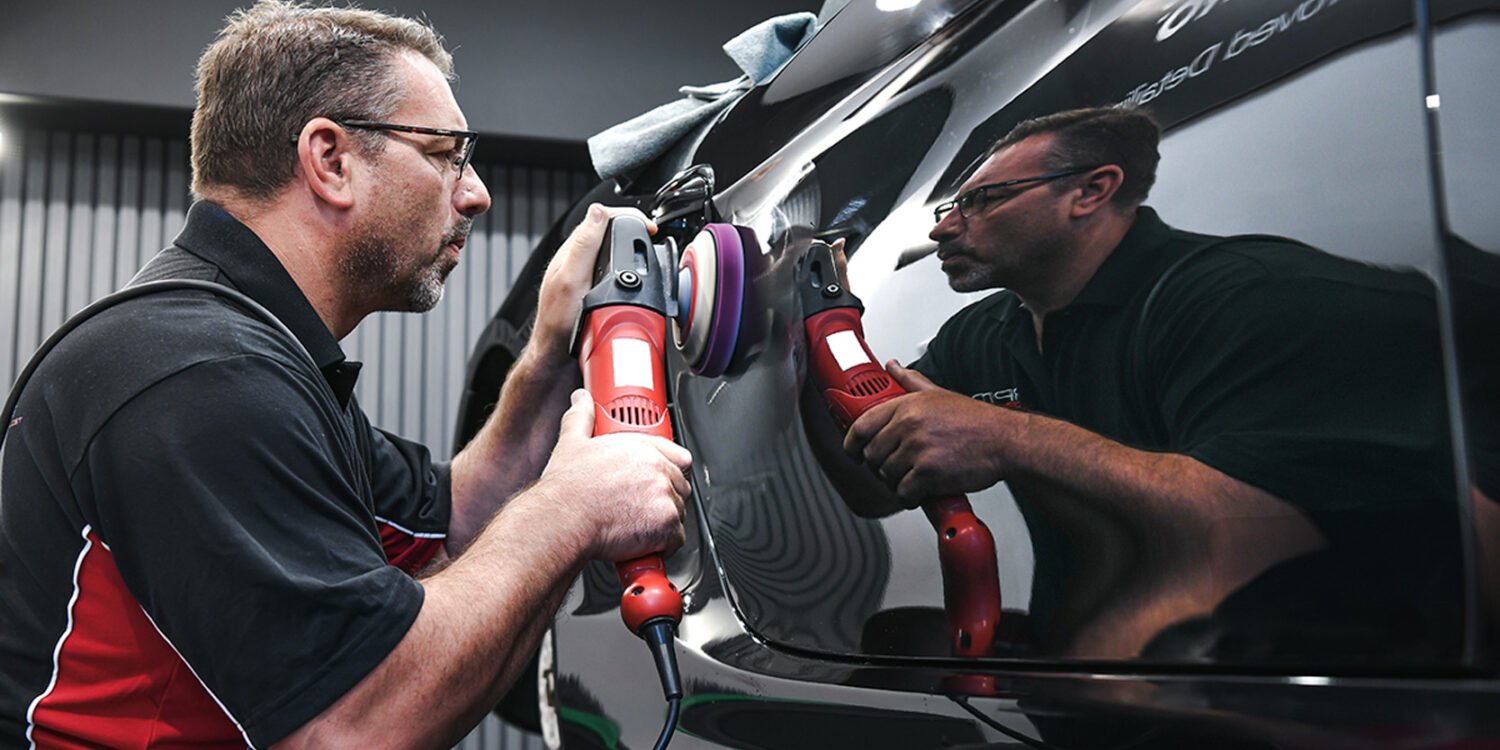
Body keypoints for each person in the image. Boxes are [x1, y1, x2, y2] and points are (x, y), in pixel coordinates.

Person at [0, 2, 689, 747]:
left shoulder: (258, 353)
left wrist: (548, 353)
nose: (476, 192)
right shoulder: (198, 372)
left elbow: (451, 521)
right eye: (446, 154)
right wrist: (573, 512)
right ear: (331, 161)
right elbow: (354, 727)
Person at [844, 107, 1460, 660]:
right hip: (1092, 692)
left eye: (982, 200)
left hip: (1298, 694)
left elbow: (1272, 528)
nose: (943, 229)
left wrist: (1011, 438)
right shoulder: (981, 333)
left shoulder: (1249, 297)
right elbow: (874, 487)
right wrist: (819, 331)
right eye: (949, 208)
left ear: (1091, 191)